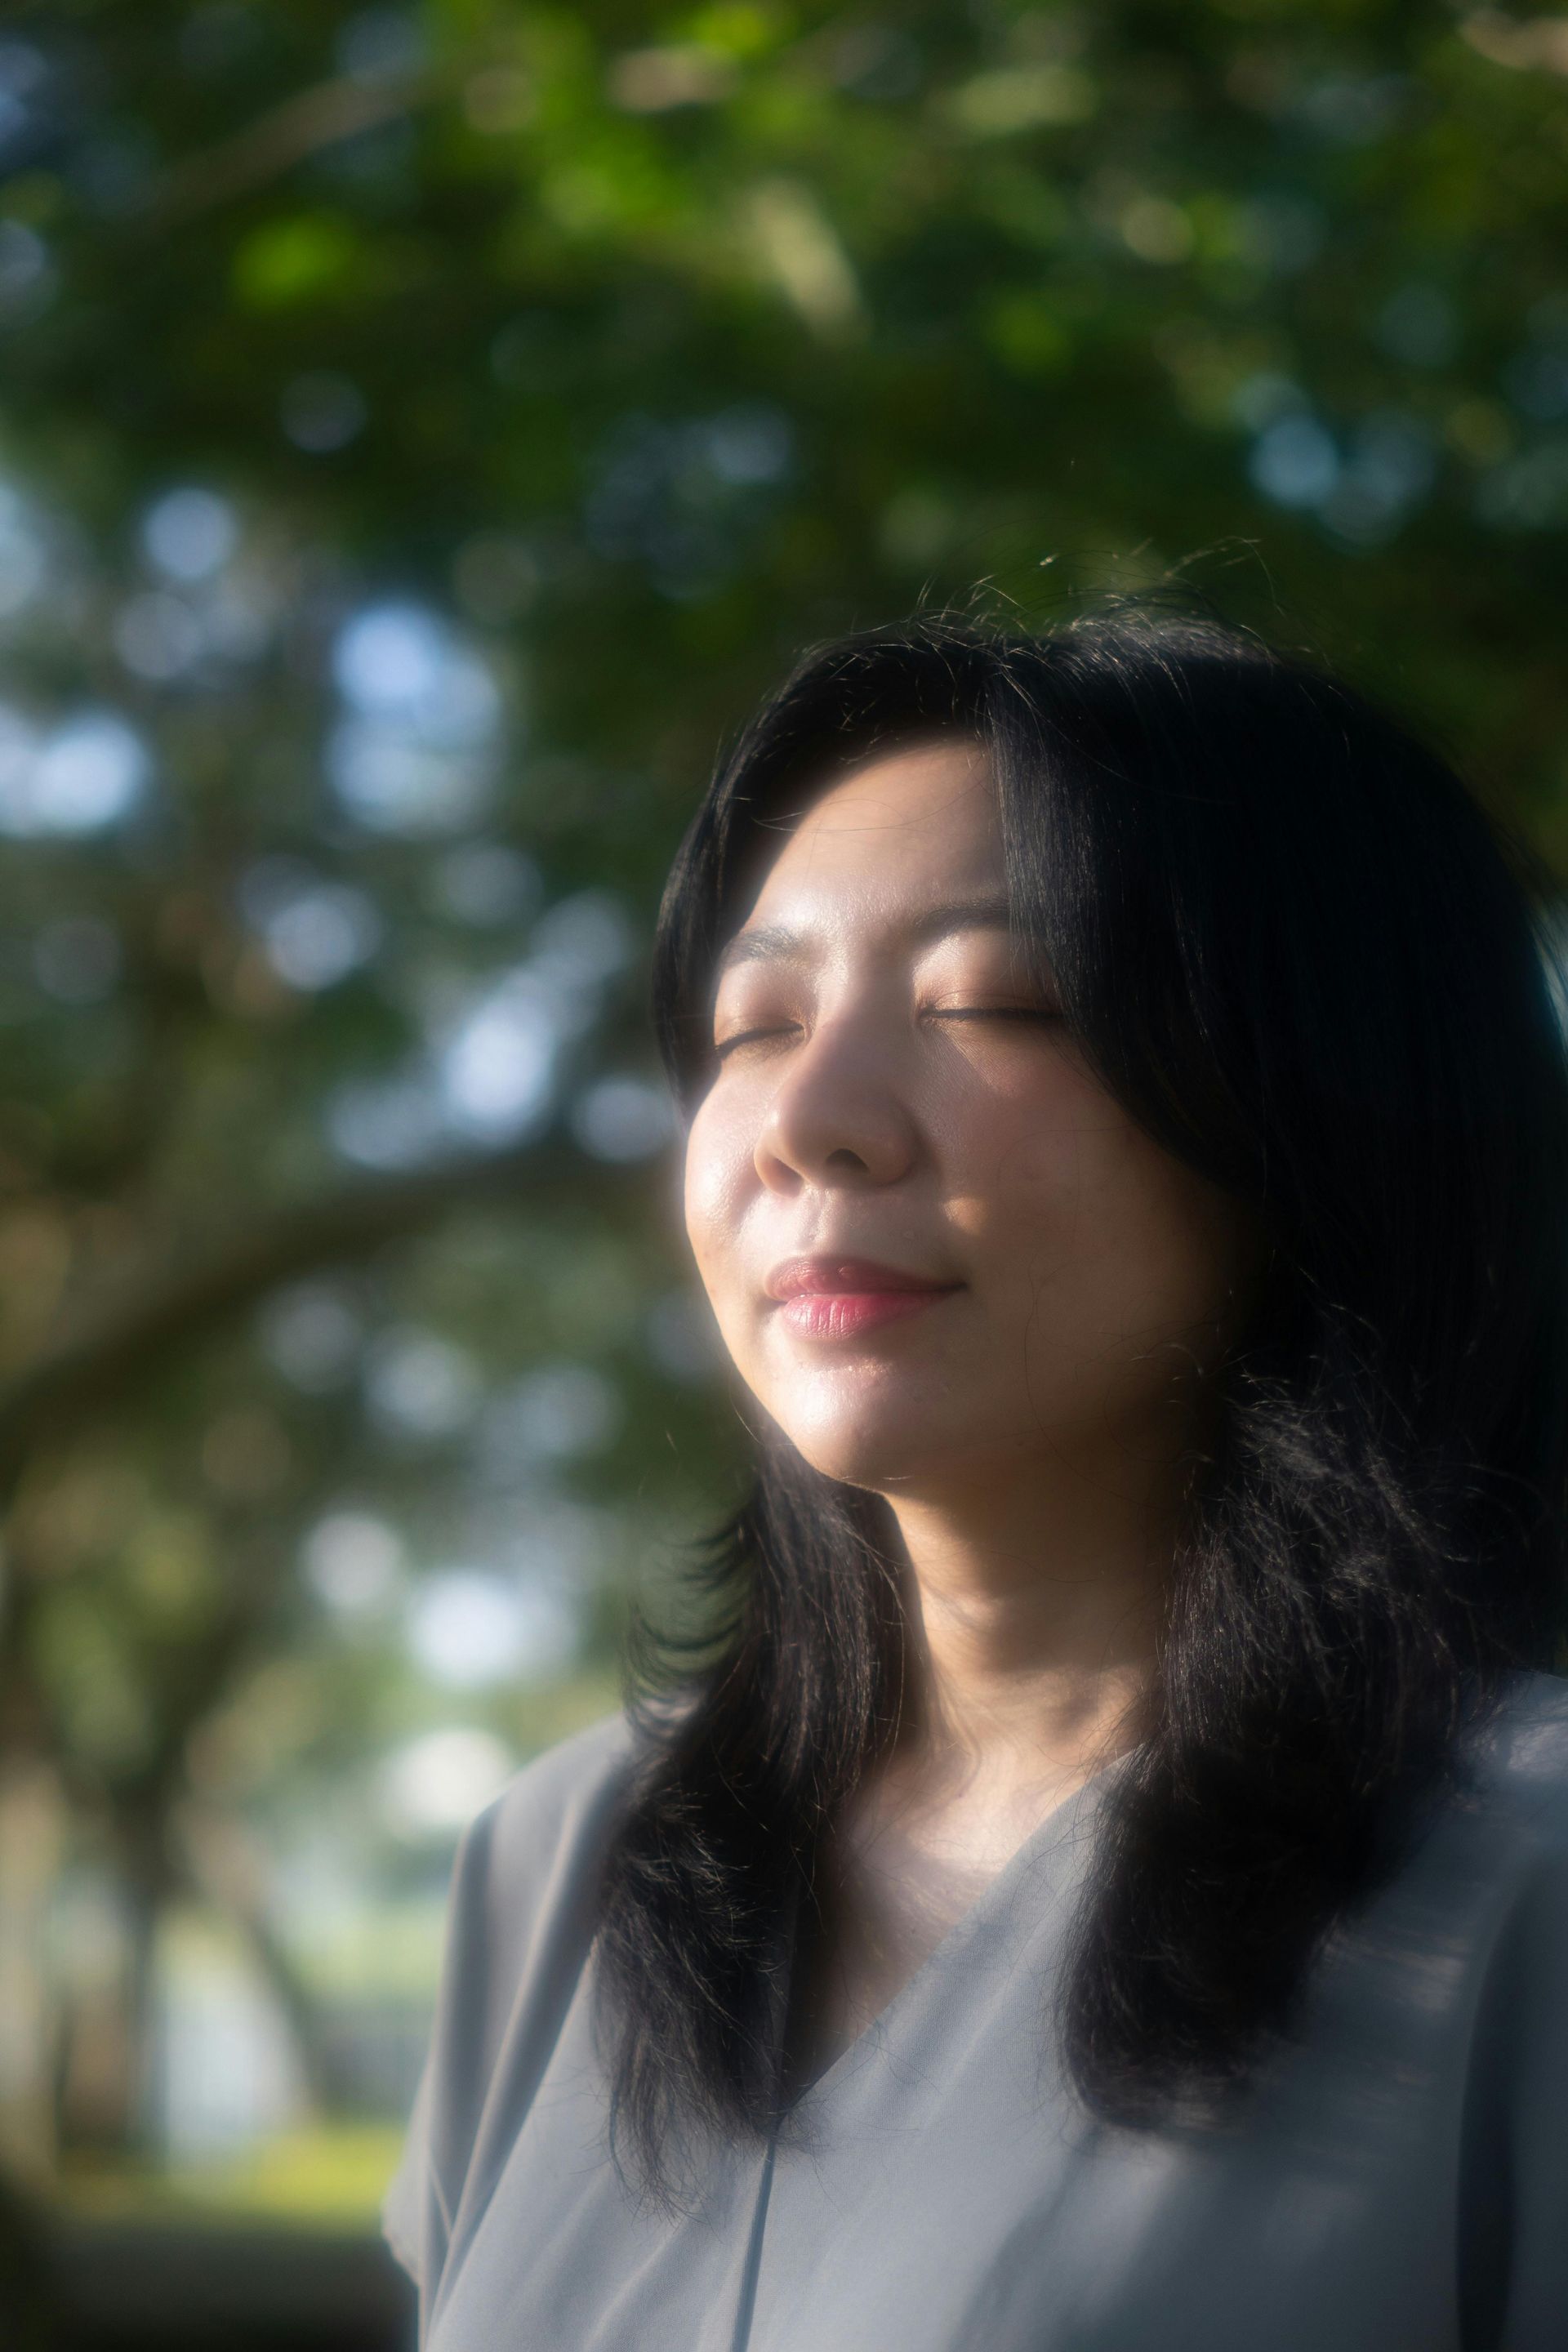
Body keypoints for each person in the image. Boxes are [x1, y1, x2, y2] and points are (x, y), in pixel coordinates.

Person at [382, 604, 1568, 2351]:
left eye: (994, 1001)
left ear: (1324, 1110)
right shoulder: (569, 1866)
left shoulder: (1524, 1885)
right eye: (752, 1026)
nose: (813, 1116)